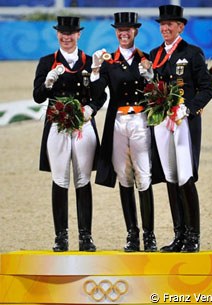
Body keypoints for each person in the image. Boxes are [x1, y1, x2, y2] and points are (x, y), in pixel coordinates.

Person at [140, 5, 212, 252]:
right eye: (162, 24)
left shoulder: (192, 53)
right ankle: (179, 235)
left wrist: (189, 108)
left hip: (183, 122)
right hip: (162, 121)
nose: (165, 28)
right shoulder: (156, 53)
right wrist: (149, 77)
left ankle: (193, 237)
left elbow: (207, 88)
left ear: (180, 27)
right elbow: (155, 87)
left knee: (185, 177)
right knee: (171, 177)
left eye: (170, 24)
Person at [89, 12, 164, 252]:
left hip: (141, 120)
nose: (124, 32)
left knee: (144, 175)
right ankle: (132, 234)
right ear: (116, 32)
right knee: (124, 176)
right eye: (120, 29)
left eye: (128, 29)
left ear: (135, 32)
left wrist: (149, 74)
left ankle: (149, 235)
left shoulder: (146, 58)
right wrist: (95, 69)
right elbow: (98, 92)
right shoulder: (108, 62)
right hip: (118, 122)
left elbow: (157, 88)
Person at [33, 16, 106, 252]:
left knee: (83, 179)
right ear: (57, 35)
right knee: (60, 179)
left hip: (83, 124)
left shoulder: (88, 61)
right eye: (63, 33)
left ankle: (86, 236)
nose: (67, 37)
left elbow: (100, 94)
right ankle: (61, 236)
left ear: (78, 35)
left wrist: (91, 109)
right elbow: (37, 96)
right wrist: (47, 83)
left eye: (71, 33)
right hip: (57, 124)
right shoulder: (47, 61)